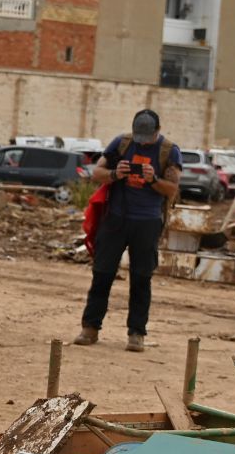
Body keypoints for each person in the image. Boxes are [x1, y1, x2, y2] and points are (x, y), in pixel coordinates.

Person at [75, 110, 181, 352]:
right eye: (139, 137)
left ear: (157, 131)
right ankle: (90, 328)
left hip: (147, 222)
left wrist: (153, 180)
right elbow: (96, 173)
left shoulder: (168, 150)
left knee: (141, 278)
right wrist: (115, 174)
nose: (142, 142)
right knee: (102, 274)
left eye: (147, 137)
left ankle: (136, 333)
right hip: (116, 219)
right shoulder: (121, 143)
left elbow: (172, 189)